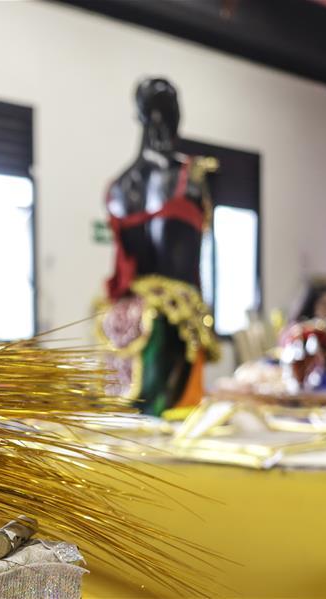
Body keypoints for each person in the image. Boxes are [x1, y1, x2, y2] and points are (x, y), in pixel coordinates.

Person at [96, 78, 219, 416]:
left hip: (123, 315)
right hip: (174, 318)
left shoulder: (119, 185)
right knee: (172, 427)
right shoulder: (191, 174)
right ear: (173, 116)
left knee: (129, 428)